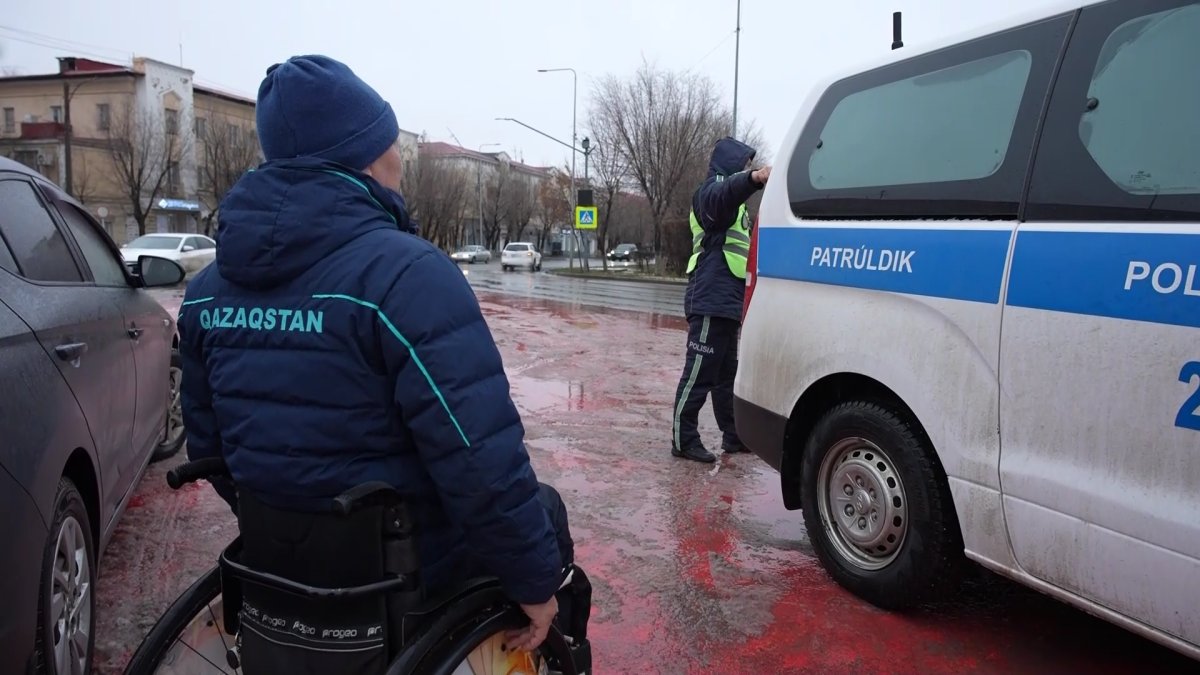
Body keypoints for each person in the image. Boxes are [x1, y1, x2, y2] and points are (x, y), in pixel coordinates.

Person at [176, 55, 581, 655]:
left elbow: (209, 449)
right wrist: (535, 582)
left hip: (274, 568)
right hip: (403, 573)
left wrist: (294, 527)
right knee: (545, 518)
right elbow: (478, 460)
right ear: (365, 157)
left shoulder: (206, 293)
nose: (400, 163)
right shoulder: (407, 276)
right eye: (392, 145)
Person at [671, 137, 771, 463]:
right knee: (699, 373)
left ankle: (733, 436)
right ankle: (683, 440)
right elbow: (722, 195)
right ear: (729, 164)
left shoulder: (733, 202)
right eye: (742, 165)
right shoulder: (710, 193)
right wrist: (754, 178)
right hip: (709, 294)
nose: (745, 170)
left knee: (727, 377)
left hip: (728, 298)